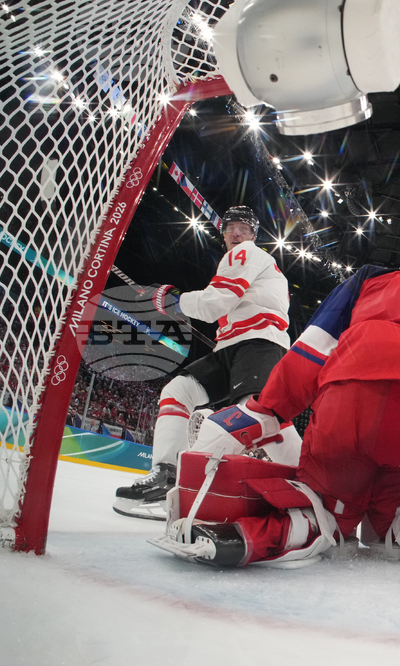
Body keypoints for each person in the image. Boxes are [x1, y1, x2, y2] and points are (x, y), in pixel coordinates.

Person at [159, 261, 400, 571]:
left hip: (355, 394)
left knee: (324, 512)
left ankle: (238, 539)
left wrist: (271, 407)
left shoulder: (369, 279)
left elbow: (313, 347)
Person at [113, 206, 298, 520]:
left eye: (243, 228)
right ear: (222, 233)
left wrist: (174, 300)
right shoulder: (251, 263)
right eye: (230, 228)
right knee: (178, 391)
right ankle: (167, 476)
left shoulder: (247, 254)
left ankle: (306, 477)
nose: (236, 233)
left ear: (254, 235)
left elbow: (215, 304)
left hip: (258, 344)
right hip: (233, 346)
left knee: (256, 414)